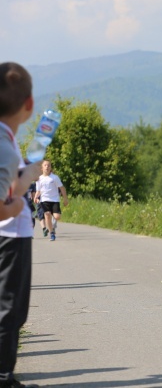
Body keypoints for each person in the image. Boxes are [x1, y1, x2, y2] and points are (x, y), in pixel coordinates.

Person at [0, 61, 42, 388]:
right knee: (11, 310)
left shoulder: (6, 140)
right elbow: (4, 204)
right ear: (28, 105)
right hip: (10, 238)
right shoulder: (5, 147)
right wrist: (20, 198)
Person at [34, 160, 68, 242]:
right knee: (47, 214)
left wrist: (65, 198)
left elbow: (62, 188)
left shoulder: (55, 177)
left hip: (54, 200)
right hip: (44, 200)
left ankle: (51, 226)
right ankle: (52, 233)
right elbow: (38, 190)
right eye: (45, 165)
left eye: (48, 165)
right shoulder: (39, 179)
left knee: (57, 217)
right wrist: (35, 197)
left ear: (50, 167)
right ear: (42, 168)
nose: (47, 167)